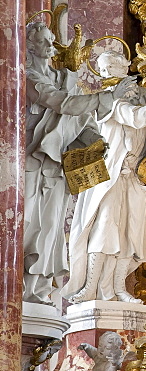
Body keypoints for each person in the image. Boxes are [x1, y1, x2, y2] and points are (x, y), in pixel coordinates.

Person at [65, 51, 146, 303]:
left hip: (137, 176)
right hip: (110, 176)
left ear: (124, 67)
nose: (106, 73)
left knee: (131, 233)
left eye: (111, 66)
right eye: (102, 69)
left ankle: (118, 289)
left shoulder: (143, 96)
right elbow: (135, 118)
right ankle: (90, 289)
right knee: (103, 230)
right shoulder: (106, 100)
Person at [23, 19, 109, 305]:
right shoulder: (27, 75)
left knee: (50, 227)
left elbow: (81, 117)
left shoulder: (66, 79)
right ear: (30, 45)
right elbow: (61, 103)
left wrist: (94, 141)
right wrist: (107, 96)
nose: (51, 45)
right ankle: (21, 289)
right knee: (29, 225)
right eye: (43, 40)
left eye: (51, 39)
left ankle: (39, 289)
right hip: (32, 161)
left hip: (58, 165)